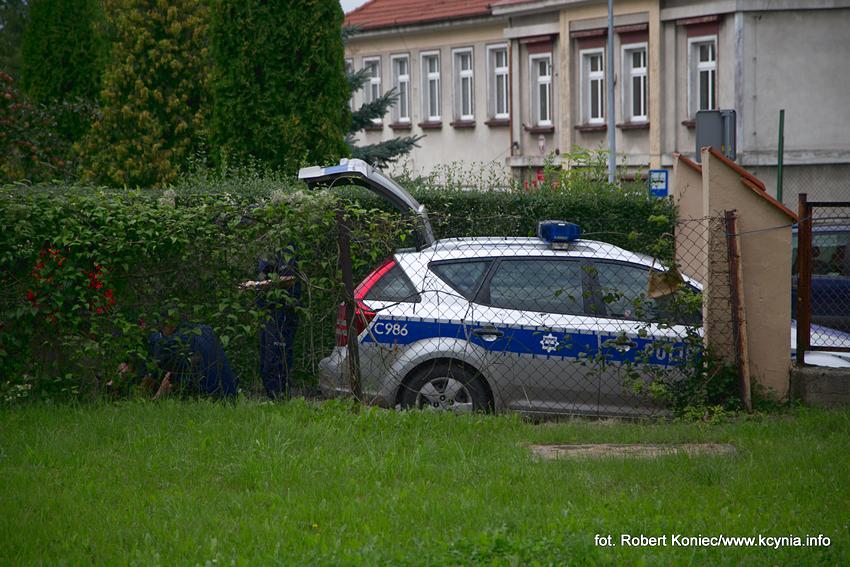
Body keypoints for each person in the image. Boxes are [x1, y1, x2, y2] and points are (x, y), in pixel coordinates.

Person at [241, 247, 301, 399]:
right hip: (266, 312)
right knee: (265, 358)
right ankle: (272, 397)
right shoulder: (266, 249)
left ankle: (279, 396)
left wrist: (256, 285)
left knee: (276, 358)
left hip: (282, 311)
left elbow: (289, 279)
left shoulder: (286, 248)